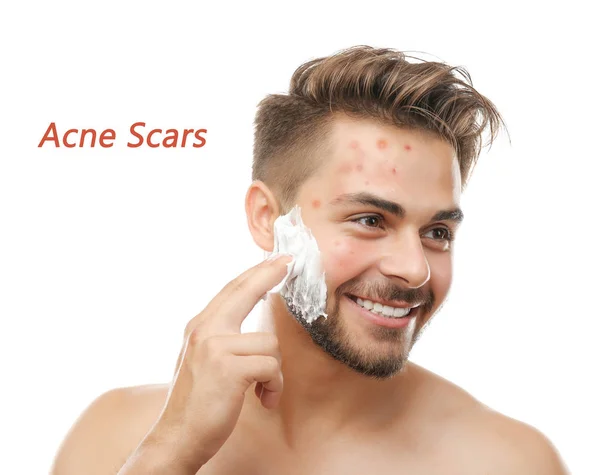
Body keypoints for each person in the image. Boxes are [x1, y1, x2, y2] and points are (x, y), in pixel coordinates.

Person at [50, 46, 569, 474]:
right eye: (370, 220)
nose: (416, 269)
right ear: (266, 218)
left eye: (437, 231)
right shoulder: (114, 436)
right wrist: (169, 453)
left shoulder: (508, 462)